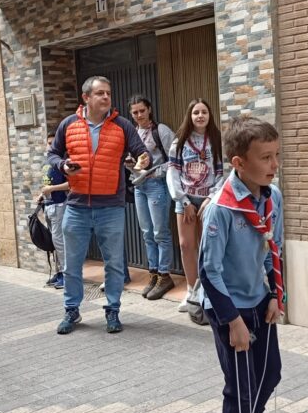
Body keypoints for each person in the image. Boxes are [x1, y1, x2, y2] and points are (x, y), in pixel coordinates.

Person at [199, 116, 285, 413]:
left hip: (258, 300)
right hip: (229, 307)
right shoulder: (221, 208)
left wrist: (275, 295)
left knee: (270, 374)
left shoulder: (272, 197)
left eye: (276, 155)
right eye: (265, 157)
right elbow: (208, 270)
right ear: (239, 162)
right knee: (241, 387)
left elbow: (272, 249)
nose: (274, 164)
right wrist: (232, 321)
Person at [47, 76, 150, 335]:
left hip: (111, 207)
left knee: (114, 264)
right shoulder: (68, 124)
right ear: (86, 98)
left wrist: (143, 160)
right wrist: (63, 165)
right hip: (76, 206)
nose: (106, 97)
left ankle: (113, 310)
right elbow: (53, 154)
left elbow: (141, 152)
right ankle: (72, 310)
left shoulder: (122, 125)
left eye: (108, 93)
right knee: (72, 265)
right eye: (100, 93)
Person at [168, 99, 224, 313]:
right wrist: (183, 201)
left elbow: (222, 173)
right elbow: (173, 173)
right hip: (186, 201)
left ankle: (207, 291)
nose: (200, 116)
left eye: (204, 112)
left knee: (206, 246)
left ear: (210, 115)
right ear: (189, 116)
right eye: (196, 112)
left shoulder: (216, 140)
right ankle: (191, 291)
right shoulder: (179, 143)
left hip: (209, 200)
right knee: (186, 245)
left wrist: (211, 198)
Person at [127, 94, 176, 301]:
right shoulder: (133, 133)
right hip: (139, 186)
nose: (139, 115)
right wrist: (130, 165)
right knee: (147, 233)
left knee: (160, 232)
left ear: (149, 110)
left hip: (157, 185)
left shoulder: (161, 131)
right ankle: (153, 273)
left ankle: (165, 275)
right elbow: (133, 163)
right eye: (135, 112)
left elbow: (175, 159)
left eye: (142, 110)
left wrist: (156, 172)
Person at [36, 133, 69, 289]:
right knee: (53, 241)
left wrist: (52, 189)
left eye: (53, 143)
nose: (51, 146)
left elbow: (71, 184)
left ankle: (67, 275)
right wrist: (42, 195)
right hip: (48, 205)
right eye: (49, 143)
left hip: (59, 205)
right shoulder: (47, 162)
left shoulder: (64, 163)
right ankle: (59, 272)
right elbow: (46, 184)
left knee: (60, 242)